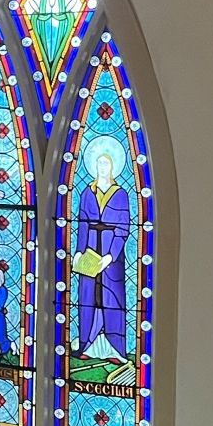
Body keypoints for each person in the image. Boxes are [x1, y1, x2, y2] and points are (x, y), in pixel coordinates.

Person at [75, 134, 130, 360]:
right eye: (99, 163)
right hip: (90, 251)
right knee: (89, 297)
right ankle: (88, 345)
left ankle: (114, 349)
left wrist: (110, 256)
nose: (102, 167)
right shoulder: (87, 193)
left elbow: (123, 228)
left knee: (111, 297)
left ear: (113, 167)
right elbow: (82, 224)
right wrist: (79, 252)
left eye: (106, 163)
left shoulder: (121, 194)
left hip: (110, 256)